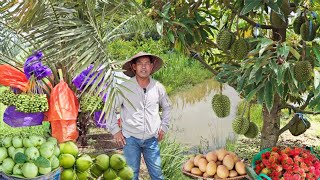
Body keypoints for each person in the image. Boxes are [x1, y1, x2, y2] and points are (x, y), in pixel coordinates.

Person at [107, 52, 171, 180]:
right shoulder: (125, 88)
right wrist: (115, 130)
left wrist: (164, 126)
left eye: (147, 63)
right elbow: (110, 108)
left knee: (157, 175)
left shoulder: (158, 87)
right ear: (133, 67)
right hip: (130, 138)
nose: (144, 67)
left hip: (152, 138)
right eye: (140, 64)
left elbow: (167, 107)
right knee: (131, 175)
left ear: (151, 66)